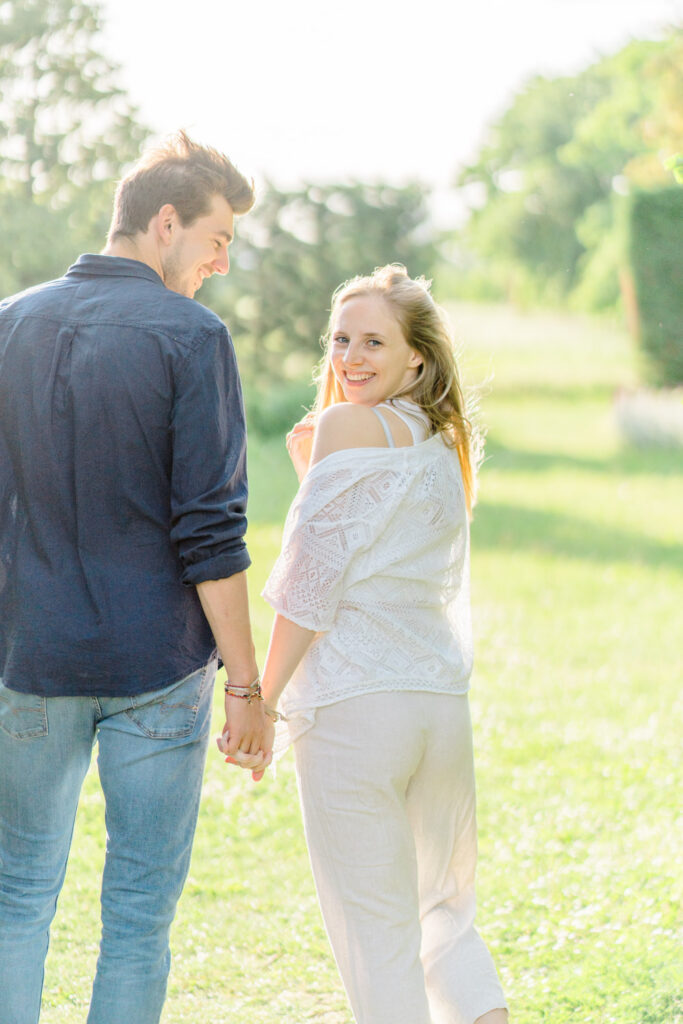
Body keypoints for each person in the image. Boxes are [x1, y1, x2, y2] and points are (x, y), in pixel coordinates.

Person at [0, 131, 272, 1024]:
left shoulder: (10, 323)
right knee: (139, 915)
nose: (222, 263)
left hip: (30, 659)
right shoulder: (192, 336)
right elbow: (211, 528)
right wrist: (246, 681)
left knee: (14, 898)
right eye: (218, 238)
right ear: (165, 222)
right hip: (158, 668)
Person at [232, 265, 508, 1023]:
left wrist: (261, 699)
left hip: (358, 709)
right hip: (436, 710)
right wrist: (314, 475)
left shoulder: (344, 426)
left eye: (372, 342)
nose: (349, 357)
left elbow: (311, 585)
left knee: (376, 939)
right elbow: (377, 549)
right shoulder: (442, 442)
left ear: (415, 357)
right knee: (443, 921)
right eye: (340, 338)